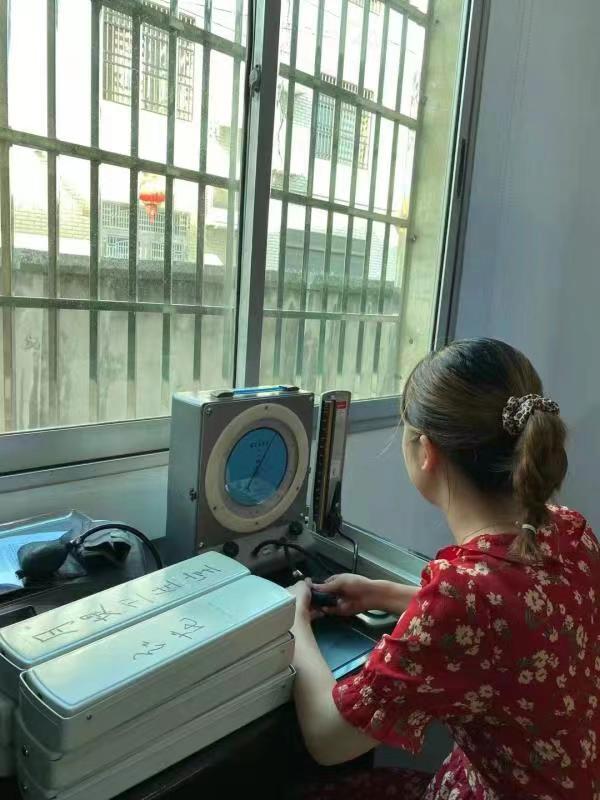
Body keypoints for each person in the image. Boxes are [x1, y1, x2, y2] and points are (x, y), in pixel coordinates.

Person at [288, 338, 600, 800]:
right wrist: (383, 593)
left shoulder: (462, 596)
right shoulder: (569, 530)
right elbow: (519, 619)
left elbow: (329, 738)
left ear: (426, 451)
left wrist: (292, 623)